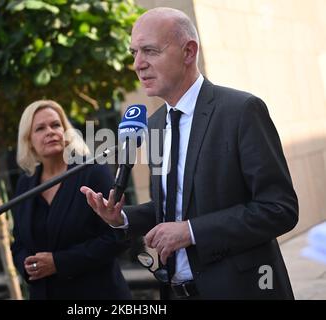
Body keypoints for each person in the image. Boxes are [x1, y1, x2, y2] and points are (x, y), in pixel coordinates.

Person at [81, 7, 299, 299]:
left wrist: (192, 232)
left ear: (188, 52)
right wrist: (123, 219)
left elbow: (279, 209)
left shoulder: (241, 111)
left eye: (149, 50)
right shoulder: (154, 124)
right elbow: (173, 206)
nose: (137, 64)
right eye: (134, 53)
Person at [11, 100, 132, 300]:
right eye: (40, 128)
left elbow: (118, 237)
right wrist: (28, 266)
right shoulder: (25, 184)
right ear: (28, 140)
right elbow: (19, 243)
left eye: (56, 125)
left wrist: (58, 263)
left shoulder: (92, 171)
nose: (50, 131)